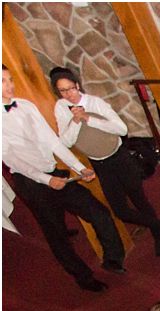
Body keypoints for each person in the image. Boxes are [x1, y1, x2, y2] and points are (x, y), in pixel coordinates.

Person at [1, 66, 122, 291]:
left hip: (52, 171)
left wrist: (78, 168)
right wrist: (46, 180)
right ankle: (85, 279)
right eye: (3, 81)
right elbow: (13, 160)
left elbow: (52, 141)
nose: (9, 85)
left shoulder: (25, 105)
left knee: (98, 212)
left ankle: (113, 259)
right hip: (31, 183)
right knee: (57, 236)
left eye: (10, 79)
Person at [49, 66, 160, 256]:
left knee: (139, 200)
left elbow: (121, 129)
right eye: (63, 91)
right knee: (120, 211)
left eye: (71, 88)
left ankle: (159, 237)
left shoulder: (95, 103)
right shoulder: (61, 108)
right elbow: (65, 141)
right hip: (99, 164)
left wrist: (88, 118)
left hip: (119, 158)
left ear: (77, 85)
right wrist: (75, 121)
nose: (68, 94)